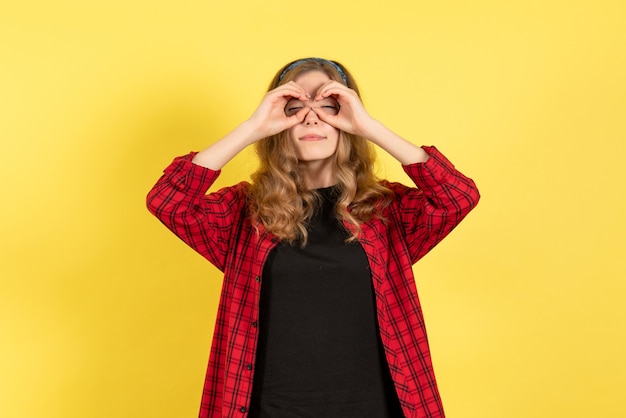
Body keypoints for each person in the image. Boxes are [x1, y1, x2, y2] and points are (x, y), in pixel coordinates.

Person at [147, 57, 480, 418]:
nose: (311, 117)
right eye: (294, 108)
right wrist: (252, 128)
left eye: (328, 106)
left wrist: (369, 127)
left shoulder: (387, 211)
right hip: (268, 409)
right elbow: (168, 201)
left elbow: (457, 196)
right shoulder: (244, 213)